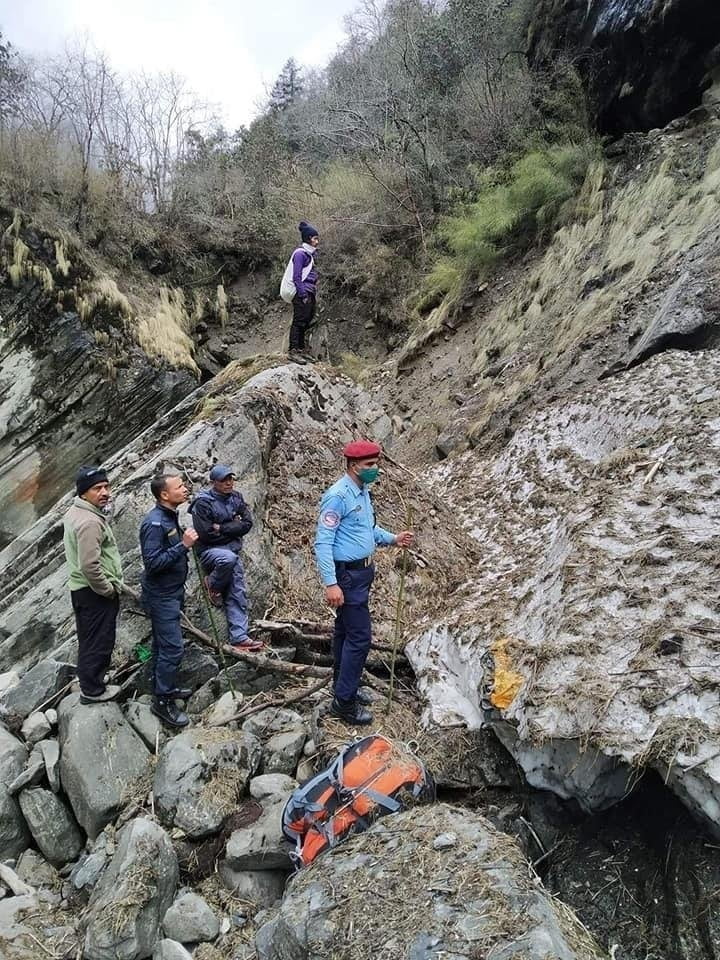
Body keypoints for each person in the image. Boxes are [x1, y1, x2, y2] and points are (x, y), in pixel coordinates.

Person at [314, 440, 414, 725]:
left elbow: (367, 529)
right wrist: (330, 583)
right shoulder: (337, 496)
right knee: (360, 638)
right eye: (369, 465)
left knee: (345, 633)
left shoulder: (362, 491)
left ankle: (344, 687)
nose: (375, 470)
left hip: (362, 574)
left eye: (376, 464)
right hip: (346, 577)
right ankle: (344, 703)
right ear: (353, 465)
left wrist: (393, 539)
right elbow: (323, 542)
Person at [139, 474, 198, 728]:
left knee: (163, 646)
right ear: (164, 494)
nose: (185, 489)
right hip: (161, 596)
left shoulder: (170, 517)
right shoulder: (154, 524)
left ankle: (165, 688)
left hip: (172, 592)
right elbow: (152, 564)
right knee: (172, 647)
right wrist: (183, 546)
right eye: (180, 487)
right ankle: (161, 702)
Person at [63, 466, 124, 704]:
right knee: (100, 640)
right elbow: (89, 565)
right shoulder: (90, 521)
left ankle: (91, 680)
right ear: (83, 493)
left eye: (107, 486)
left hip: (81, 590)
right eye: (97, 488)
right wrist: (107, 589)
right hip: (94, 591)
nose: (105, 492)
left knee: (89, 639)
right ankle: (93, 691)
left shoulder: (77, 512)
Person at [190, 465, 264, 652]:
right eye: (224, 480)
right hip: (210, 551)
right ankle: (212, 584)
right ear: (214, 482)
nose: (229, 483)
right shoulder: (203, 503)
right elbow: (205, 534)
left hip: (231, 548)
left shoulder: (236, 497)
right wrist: (233, 527)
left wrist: (222, 528)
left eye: (231, 479)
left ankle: (239, 637)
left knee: (237, 591)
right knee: (228, 559)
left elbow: (247, 524)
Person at [289, 220, 319, 357]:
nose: (317, 241)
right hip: (303, 292)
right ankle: (294, 350)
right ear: (308, 239)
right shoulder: (300, 254)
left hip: (310, 291)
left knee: (306, 320)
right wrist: (303, 294)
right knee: (299, 321)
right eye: (315, 238)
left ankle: (301, 349)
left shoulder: (310, 255)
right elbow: (297, 276)